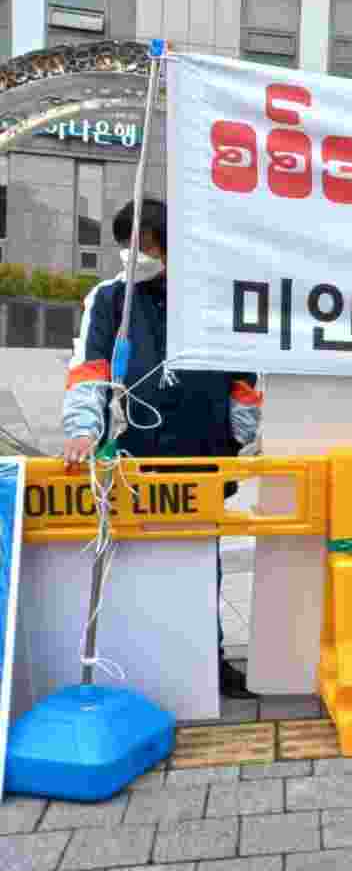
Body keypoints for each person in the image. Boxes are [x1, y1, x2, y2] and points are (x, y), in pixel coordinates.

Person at [62, 198, 263, 699]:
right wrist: (84, 429)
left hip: (203, 457)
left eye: (146, 244)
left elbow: (244, 378)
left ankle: (209, 663)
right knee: (137, 560)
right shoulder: (111, 300)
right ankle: (140, 663)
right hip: (135, 455)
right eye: (128, 245)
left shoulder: (211, 299)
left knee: (203, 562)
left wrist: (239, 435)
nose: (137, 255)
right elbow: (91, 371)